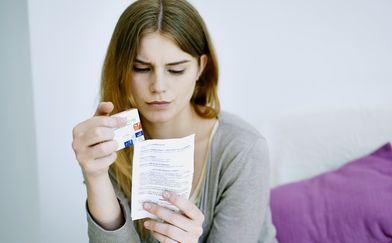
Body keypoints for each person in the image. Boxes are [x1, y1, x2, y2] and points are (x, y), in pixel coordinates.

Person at [71, 0, 277, 242]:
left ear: (200, 67)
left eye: (176, 69)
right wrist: (95, 176)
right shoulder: (112, 142)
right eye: (141, 68)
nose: (158, 87)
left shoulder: (242, 149)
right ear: (122, 69)